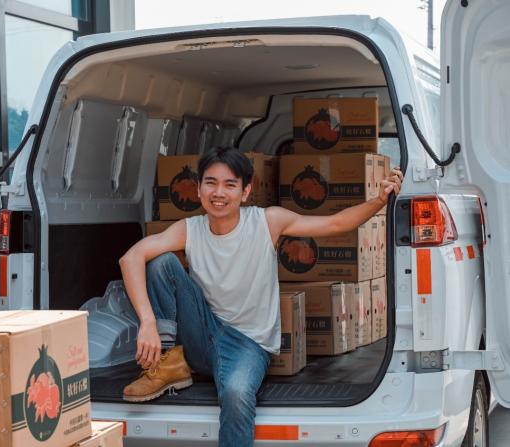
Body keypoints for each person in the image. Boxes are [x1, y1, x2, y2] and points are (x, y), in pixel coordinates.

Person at [118, 146, 403, 447]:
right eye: (211, 183)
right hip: (202, 332)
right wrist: (148, 322)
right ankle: (167, 364)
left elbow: (335, 224)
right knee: (162, 263)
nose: (219, 193)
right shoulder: (190, 229)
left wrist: (378, 201)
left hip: (247, 343)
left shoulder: (267, 222)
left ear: (245, 191)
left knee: (236, 394)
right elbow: (130, 258)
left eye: (230, 184)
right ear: (199, 189)